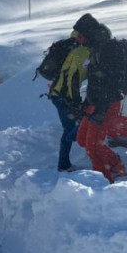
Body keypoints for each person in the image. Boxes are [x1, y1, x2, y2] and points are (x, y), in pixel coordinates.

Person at [76, 20, 127, 183]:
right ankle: (115, 163)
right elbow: (95, 81)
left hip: (106, 104)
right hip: (95, 103)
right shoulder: (96, 49)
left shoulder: (109, 49)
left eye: (80, 35)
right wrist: (86, 104)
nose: (78, 39)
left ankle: (103, 183)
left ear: (89, 34)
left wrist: (101, 108)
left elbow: (111, 82)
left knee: (93, 147)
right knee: (82, 139)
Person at [47, 24, 93, 172]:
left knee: (70, 128)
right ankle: (63, 164)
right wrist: (75, 101)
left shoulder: (70, 47)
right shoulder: (79, 51)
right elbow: (71, 78)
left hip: (58, 94)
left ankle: (64, 162)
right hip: (64, 96)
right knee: (70, 130)